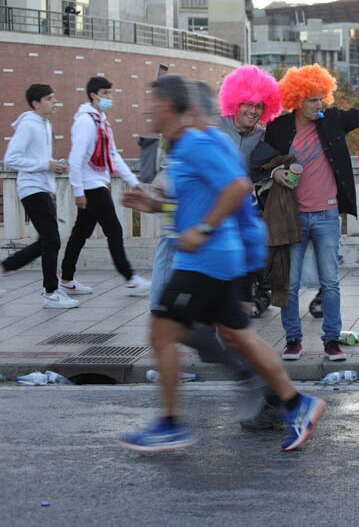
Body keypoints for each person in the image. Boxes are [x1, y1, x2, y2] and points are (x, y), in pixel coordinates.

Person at [119, 75, 326, 452]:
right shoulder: (184, 147)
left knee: (162, 334)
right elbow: (198, 196)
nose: (148, 109)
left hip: (206, 259)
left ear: (173, 106)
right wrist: (155, 205)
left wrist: (201, 228)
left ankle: (169, 424)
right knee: (236, 335)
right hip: (217, 258)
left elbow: (237, 188)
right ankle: (297, 403)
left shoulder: (199, 143)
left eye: (153, 102)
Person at [261, 64, 359, 362]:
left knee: (330, 282)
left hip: (327, 215)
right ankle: (293, 340)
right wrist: (277, 172)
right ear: (297, 99)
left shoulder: (331, 119)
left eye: (322, 98)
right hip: (292, 217)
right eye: (313, 100)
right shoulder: (279, 128)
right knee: (289, 284)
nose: (320, 105)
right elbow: (260, 163)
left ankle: (332, 340)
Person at [60, 76, 149, 296]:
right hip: (91, 187)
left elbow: (112, 156)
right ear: (93, 95)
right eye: (106, 93)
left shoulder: (101, 120)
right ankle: (129, 278)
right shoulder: (86, 122)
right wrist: (78, 191)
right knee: (114, 230)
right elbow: (76, 158)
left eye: (111, 93)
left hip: (98, 183)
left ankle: (66, 279)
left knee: (81, 232)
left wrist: (134, 182)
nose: (110, 97)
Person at [0, 84, 77, 308]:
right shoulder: (29, 125)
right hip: (31, 189)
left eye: (54, 98)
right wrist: (45, 164)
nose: (55, 102)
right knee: (52, 239)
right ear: (36, 103)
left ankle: (4, 268)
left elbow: (40, 160)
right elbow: (11, 159)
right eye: (49, 99)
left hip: (43, 188)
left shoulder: (45, 124)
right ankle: (51, 292)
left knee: (46, 241)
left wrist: (54, 166)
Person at [216, 65, 282, 318]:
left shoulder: (264, 136)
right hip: (218, 205)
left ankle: (259, 293)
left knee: (256, 251)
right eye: (247, 104)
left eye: (259, 107)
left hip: (250, 207)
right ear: (235, 101)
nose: (253, 111)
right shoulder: (215, 127)